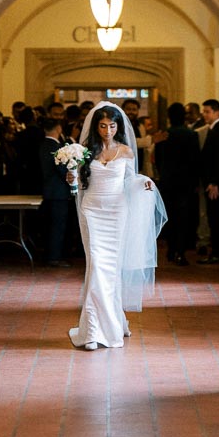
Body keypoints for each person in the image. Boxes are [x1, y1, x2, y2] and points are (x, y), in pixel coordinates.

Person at [67, 101, 166, 350]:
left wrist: (143, 184)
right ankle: (91, 331)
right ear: (95, 126)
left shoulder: (125, 151)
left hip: (117, 211)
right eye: (102, 126)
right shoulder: (85, 150)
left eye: (112, 126)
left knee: (111, 269)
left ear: (118, 127)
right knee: (97, 266)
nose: (107, 130)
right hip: (92, 210)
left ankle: (112, 322)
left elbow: (129, 180)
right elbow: (78, 185)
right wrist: (72, 179)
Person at [154, 102, 200, 265]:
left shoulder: (163, 135)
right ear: (184, 116)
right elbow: (195, 161)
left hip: (167, 182)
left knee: (170, 216)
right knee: (183, 217)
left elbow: (158, 160)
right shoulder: (191, 135)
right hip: (185, 183)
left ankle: (171, 249)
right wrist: (195, 182)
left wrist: (163, 174)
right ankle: (180, 251)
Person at [199, 99, 219, 263]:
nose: (204, 115)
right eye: (203, 112)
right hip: (212, 181)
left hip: (215, 183)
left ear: (217, 112)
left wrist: (214, 182)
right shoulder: (214, 129)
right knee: (213, 216)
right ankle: (217, 251)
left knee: (216, 217)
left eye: (207, 112)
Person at [39, 117, 73, 266]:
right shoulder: (55, 148)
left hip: (49, 190)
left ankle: (51, 255)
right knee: (57, 226)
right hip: (58, 192)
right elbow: (62, 170)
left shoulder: (43, 145)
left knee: (51, 224)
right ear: (59, 128)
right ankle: (54, 257)